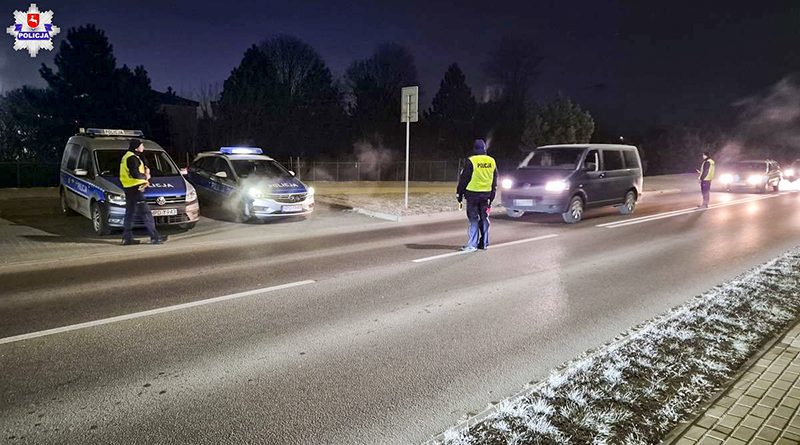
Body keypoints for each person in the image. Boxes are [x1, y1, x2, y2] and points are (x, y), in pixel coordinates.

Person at [120, 139, 164, 245]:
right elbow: (135, 174)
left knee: (130, 213)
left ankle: (127, 238)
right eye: (141, 145)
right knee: (146, 213)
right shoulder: (132, 158)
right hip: (135, 189)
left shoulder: (128, 156)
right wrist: (146, 176)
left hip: (129, 188)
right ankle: (155, 237)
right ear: (136, 147)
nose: (143, 147)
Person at [456, 139, 498, 252]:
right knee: (484, 219)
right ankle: (484, 243)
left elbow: (464, 179)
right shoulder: (492, 161)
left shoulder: (471, 161)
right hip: (486, 195)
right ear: (484, 149)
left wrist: (459, 193)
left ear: (474, 149)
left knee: (473, 219)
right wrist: (492, 195)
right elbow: (494, 180)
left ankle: (472, 245)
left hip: (472, 195)